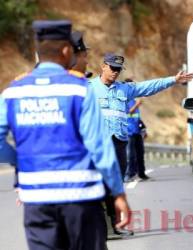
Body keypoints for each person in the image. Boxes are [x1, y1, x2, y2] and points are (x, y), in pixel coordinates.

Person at [0, 20, 130, 250]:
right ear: (66, 50)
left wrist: (19, 160)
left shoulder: (13, 91)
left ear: (37, 51)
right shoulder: (80, 89)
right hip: (81, 198)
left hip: (37, 200)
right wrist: (118, 193)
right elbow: (99, 147)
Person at [89, 53, 193, 236]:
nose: (115, 72)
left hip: (119, 143)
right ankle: (99, 226)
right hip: (97, 145)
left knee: (116, 186)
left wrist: (173, 80)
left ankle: (114, 226)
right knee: (98, 185)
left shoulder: (124, 89)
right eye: (112, 68)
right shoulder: (89, 88)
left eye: (118, 70)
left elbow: (148, 87)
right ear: (103, 66)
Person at [124, 79, 149, 182]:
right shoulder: (123, 100)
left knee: (140, 153)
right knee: (130, 155)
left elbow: (137, 117)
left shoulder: (134, 100)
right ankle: (128, 175)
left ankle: (141, 174)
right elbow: (127, 113)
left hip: (137, 131)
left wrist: (143, 129)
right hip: (128, 131)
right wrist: (136, 105)